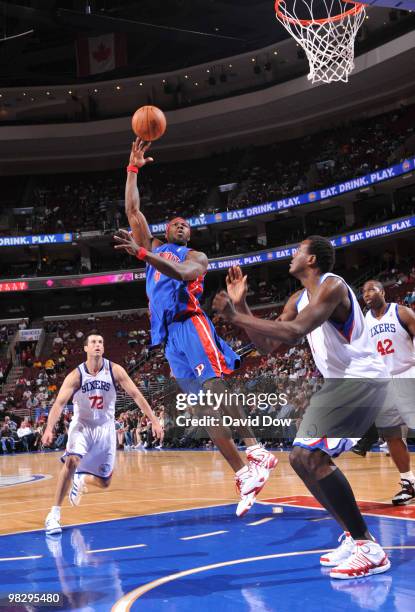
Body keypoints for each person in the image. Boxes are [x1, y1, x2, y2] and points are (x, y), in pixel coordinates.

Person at [113, 138, 277, 517]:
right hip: (170, 339)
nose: (182, 227)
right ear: (166, 230)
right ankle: (244, 475)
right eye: (176, 223)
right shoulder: (152, 244)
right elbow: (132, 209)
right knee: (204, 411)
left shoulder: (194, 256)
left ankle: (254, 447)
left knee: (216, 388)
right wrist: (132, 169)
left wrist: (142, 254)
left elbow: (184, 274)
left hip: (192, 324)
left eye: (187, 225)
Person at [213, 236, 391, 579]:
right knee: (299, 459)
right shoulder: (298, 297)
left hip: (362, 379)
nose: (291, 255)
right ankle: (355, 539)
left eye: (297, 251)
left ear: (312, 260)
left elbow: (295, 332)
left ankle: (369, 548)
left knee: (312, 457)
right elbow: (267, 346)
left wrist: (236, 316)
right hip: (338, 383)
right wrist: (244, 309)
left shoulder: (333, 286)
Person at [43, 331, 163, 535]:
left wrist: (154, 421)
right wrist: (48, 428)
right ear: (86, 348)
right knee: (71, 461)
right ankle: (53, 515)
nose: (97, 344)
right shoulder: (76, 375)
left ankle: (81, 480)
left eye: (100, 341)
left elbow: (135, 394)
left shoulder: (115, 370)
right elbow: (59, 403)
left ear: (103, 348)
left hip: (105, 428)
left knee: (105, 482)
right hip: (82, 425)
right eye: (93, 342)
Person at [363, 279, 415, 505]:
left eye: (371, 289)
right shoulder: (363, 323)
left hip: (408, 373)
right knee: (391, 434)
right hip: (383, 382)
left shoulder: (401, 312)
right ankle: (409, 483)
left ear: (382, 292)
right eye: (363, 291)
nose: (366, 294)